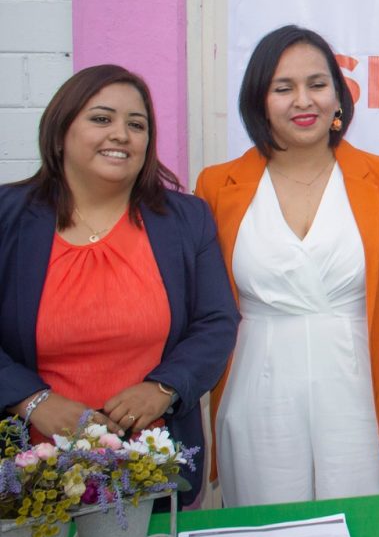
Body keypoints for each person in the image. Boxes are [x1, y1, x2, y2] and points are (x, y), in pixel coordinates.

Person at [195, 26, 379, 506]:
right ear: (259, 101)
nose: (304, 100)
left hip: (362, 381)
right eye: (284, 88)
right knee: (267, 533)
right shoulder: (218, 186)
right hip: (257, 383)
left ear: (338, 96)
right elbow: (209, 299)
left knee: (366, 533)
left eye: (318, 85)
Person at [0, 65, 237, 497]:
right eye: (101, 118)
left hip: (155, 464)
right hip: (28, 472)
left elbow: (217, 321)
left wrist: (164, 388)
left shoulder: (186, 219)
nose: (121, 134)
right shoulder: (7, 217)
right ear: (59, 132)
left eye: (136, 124)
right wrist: (33, 401)